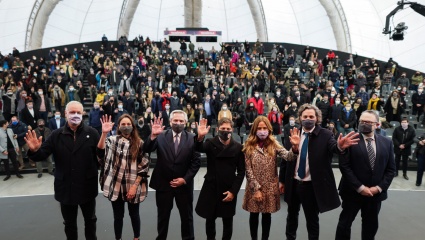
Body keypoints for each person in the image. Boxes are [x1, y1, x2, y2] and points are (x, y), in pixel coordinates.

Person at [279, 104, 359, 240]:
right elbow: (286, 159)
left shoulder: (326, 134)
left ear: (317, 118)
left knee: (312, 221)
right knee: (291, 217)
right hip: (293, 183)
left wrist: (340, 147)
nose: (308, 119)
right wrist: (281, 180)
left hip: (311, 186)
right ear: (300, 118)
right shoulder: (294, 134)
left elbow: (334, 147)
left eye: (311, 116)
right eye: (305, 117)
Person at [24, 101, 100, 240]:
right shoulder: (56, 135)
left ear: (83, 114)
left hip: (87, 186)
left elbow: (100, 157)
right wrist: (34, 150)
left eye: (78, 112)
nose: (75, 115)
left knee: (90, 221)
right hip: (65, 187)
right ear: (65, 114)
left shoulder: (93, 133)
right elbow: (42, 154)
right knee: (69, 224)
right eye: (72, 112)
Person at [335, 110, 396, 240]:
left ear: (377, 124)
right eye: (362, 121)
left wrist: (378, 188)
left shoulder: (387, 142)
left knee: (371, 226)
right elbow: (344, 167)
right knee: (344, 224)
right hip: (352, 192)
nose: (364, 124)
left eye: (368, 122)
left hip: (375, 194)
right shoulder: (350, 140)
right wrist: (360, 188)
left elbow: (391, 170)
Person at [143, 110, 201, 240]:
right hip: (164, 185)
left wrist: (185, 179)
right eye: (175, 120)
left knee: (187, 218)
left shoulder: (193, 138)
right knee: (162, 218)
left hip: (184, 186)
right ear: (170, 121)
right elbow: (146, 149)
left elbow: (196, 162)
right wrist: (152, 136)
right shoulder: (160, 135)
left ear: (186, 123)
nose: (178, 123)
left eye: (181, 121)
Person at [243, 116, 300, 240]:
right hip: (253, 187)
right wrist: (256, 189)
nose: (262, 131)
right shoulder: (248, 145)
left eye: (264, 128)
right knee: (253, 215)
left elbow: (288, 156)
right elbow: (248, 170)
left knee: (266, 216)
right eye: (259, 128)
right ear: (254, 130)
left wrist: (295, 148)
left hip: (270, 187)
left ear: (269, 129)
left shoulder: (274, 143)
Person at [97, 114, 150, 240]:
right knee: (118, 216)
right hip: (116, 185)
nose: (126, 127)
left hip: (133, 185)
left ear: (133, 126)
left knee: (134, 215)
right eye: (123, 124)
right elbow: (100, 154)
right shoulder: (111, 140)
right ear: (119, 127)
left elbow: (144, 167)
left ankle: (136, 237)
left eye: (128, 124)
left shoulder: (140, 143)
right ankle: (118, 238)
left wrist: (134, 187)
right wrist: (104, 133)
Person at [194, 117, 245, 240]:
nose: (225, 131)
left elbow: (241, 171)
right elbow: (198, 148)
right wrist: (200, 137)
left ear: (232, 130)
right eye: (223, 129)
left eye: (228, 129)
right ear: (217, 129)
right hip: (211, 187)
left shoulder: (238, 147)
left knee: (228, 221)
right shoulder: (210, 143)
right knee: (210, 220)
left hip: (229, 189)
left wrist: (233, 191)